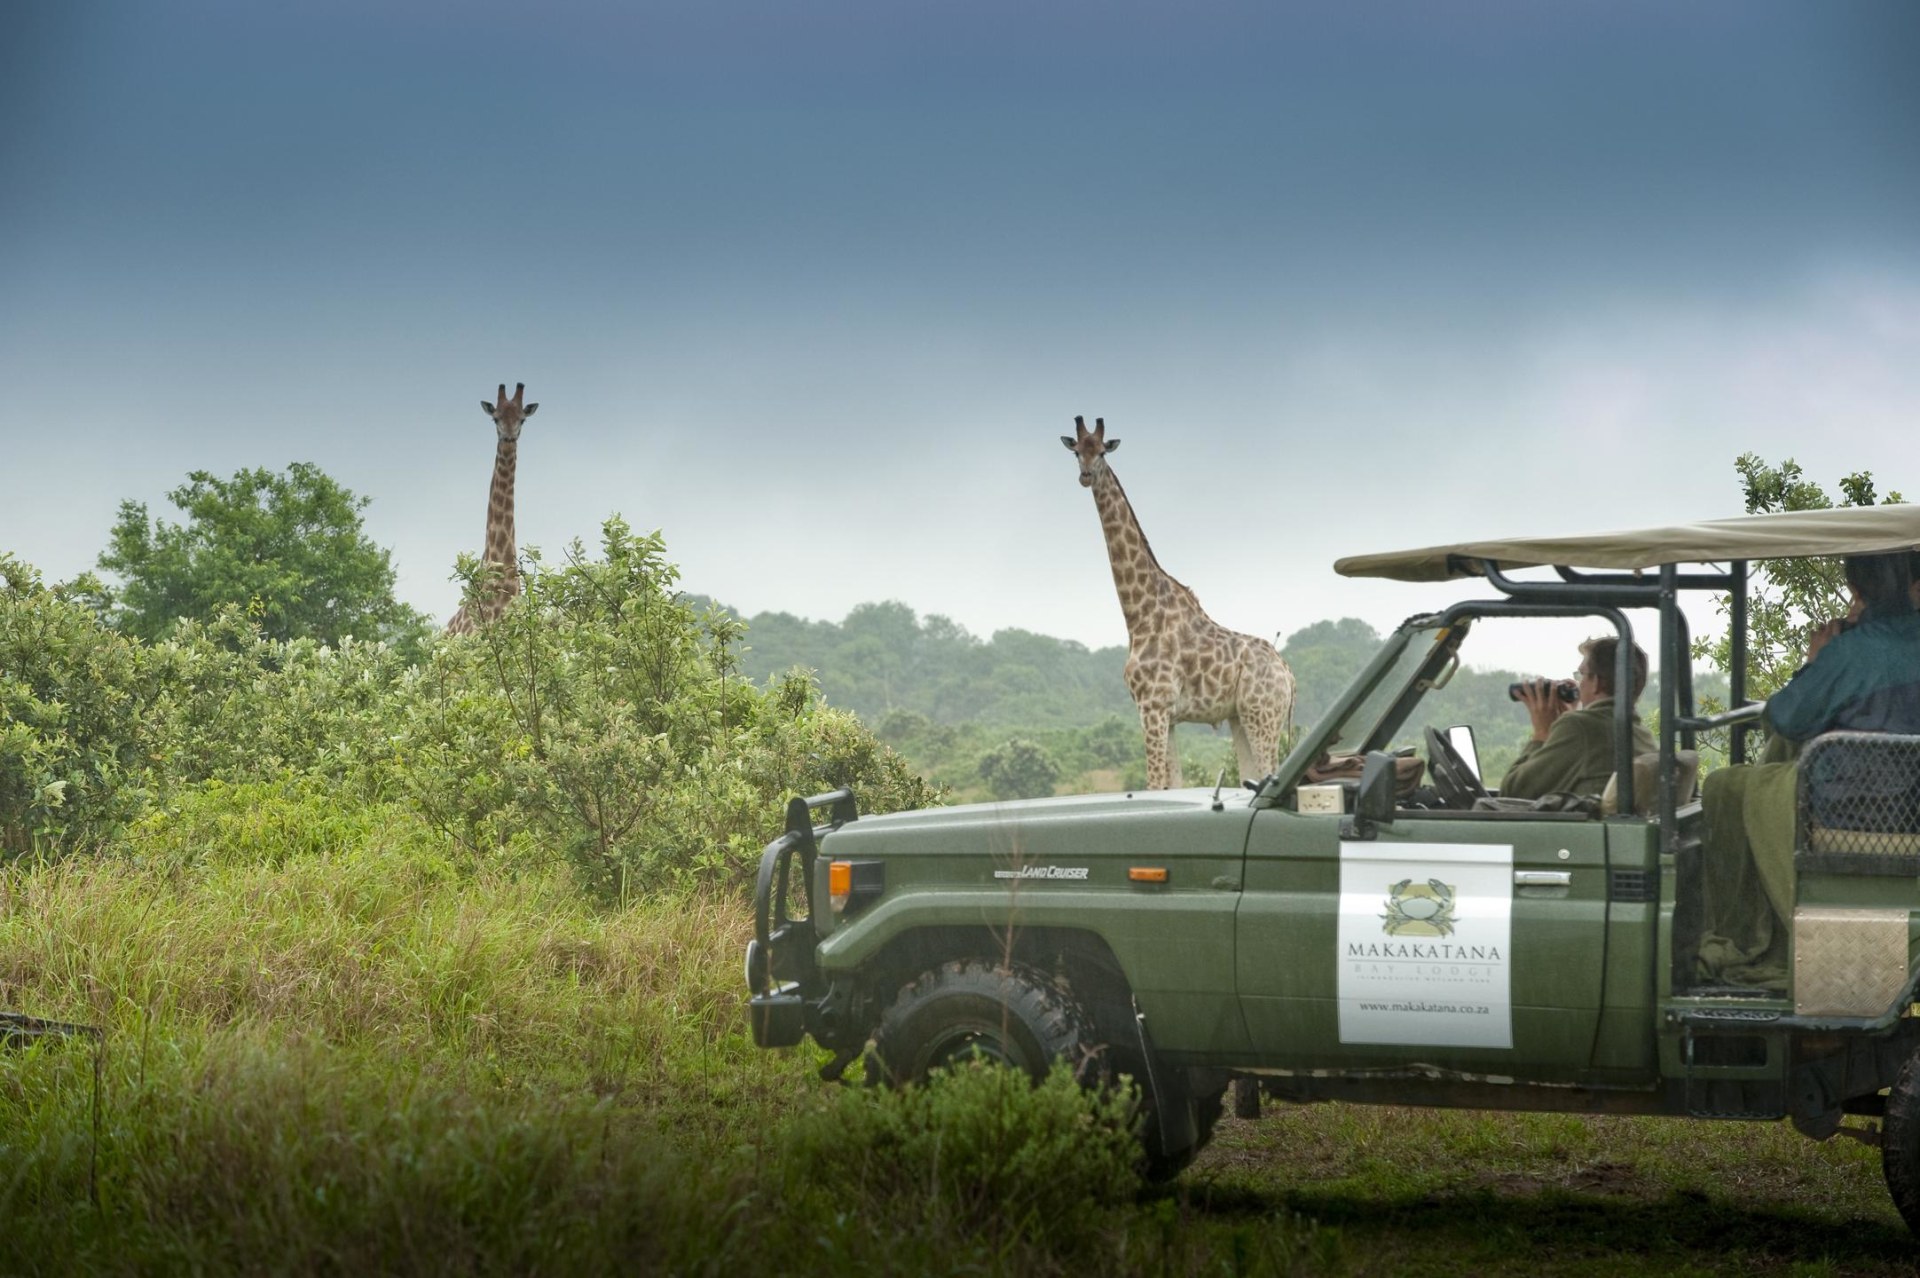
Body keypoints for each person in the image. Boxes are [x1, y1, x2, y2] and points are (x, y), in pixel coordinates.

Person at [1696, 551, 1920, 988]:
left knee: (1727, 785)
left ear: (1856, 590)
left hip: (1854, 810)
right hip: (1912, 806)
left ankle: (1748, 931)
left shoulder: (1854, 649)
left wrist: (1817, 660)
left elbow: (1787, 718)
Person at [1499, 635, 1654, 801]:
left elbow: (1513, 793)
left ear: (1597, 682)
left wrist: (1542, 733)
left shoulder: (1579, 728)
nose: (1579, 684)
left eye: (1581, 675)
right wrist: (1570, 715)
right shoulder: (1639, 732)